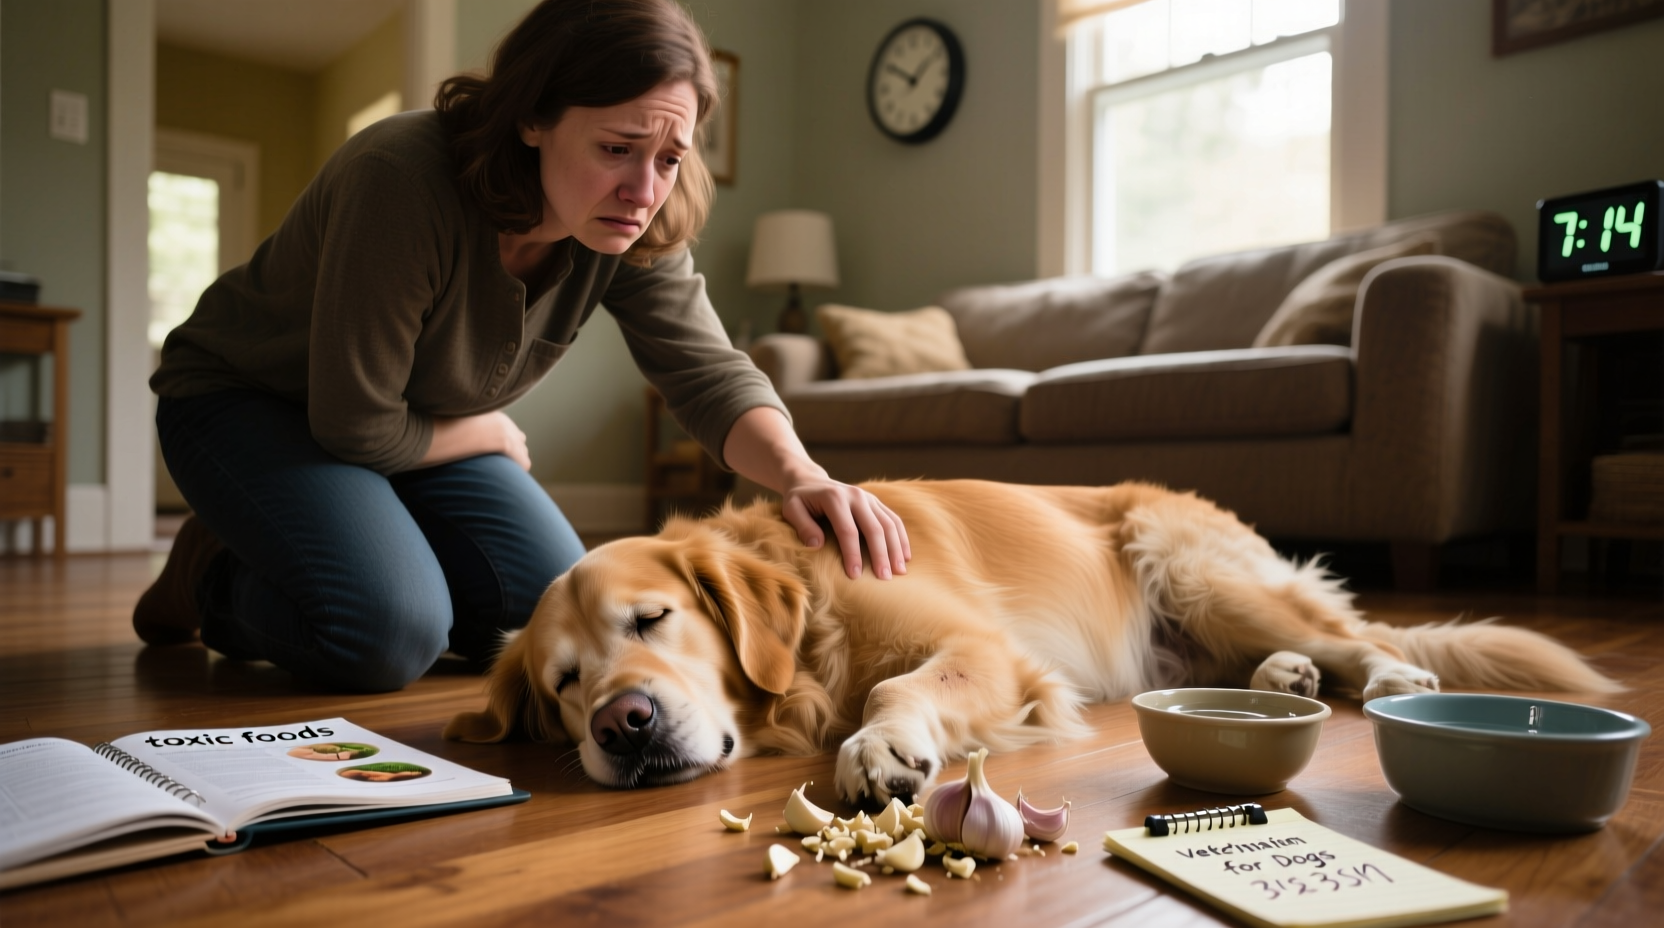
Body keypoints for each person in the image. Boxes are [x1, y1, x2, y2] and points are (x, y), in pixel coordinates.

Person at [134, 0, 909, 693]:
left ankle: (346, 535)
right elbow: (352, 426)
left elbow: (708, 372)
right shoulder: (399, 179)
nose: (644, 190)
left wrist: (803, 476)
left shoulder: (629, 227)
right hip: (251, 402)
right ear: (532, 117)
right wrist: (487, 432)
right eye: (617, 148)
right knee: (389, 634)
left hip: (406, 425)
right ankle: (213, 576)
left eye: (670, 159)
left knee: (551, 612)